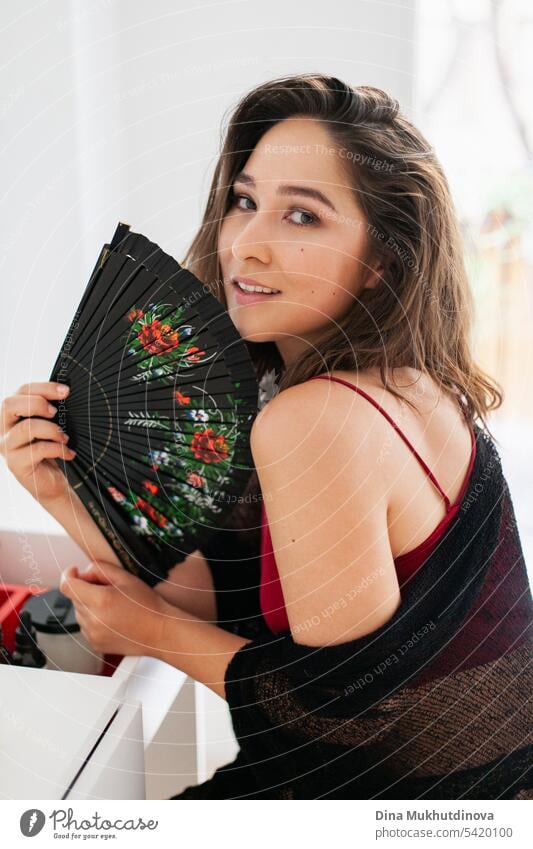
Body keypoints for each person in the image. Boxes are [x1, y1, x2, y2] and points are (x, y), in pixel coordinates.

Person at [1, 73, 531, 800]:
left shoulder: (318, 417)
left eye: (303, 217)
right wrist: (64, 492)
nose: (245, 245)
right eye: (244, 202)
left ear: (382, 259)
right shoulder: (410, 380)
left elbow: (335, 727)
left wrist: (152, 632)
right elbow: (233, 602)